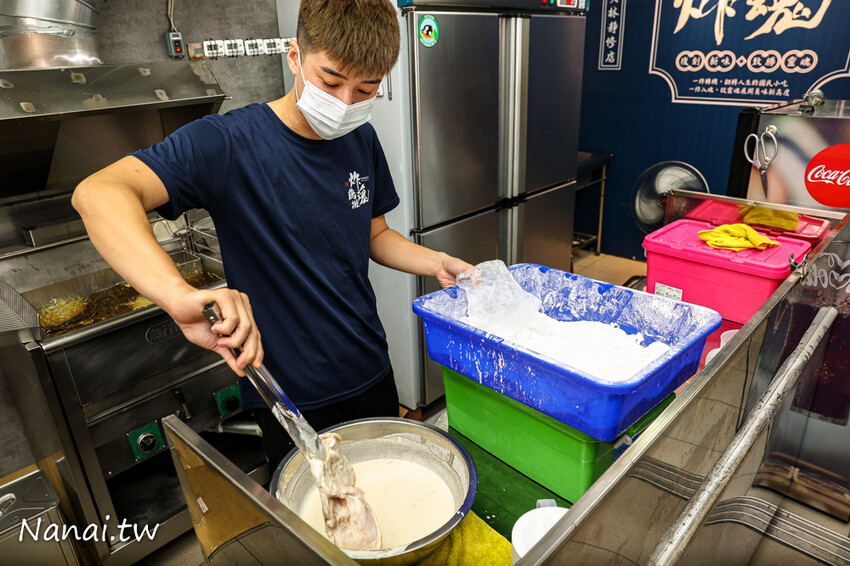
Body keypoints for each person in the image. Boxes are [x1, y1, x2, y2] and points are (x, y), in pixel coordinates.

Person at [72, 0, 472, 471]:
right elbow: (98, 193)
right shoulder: (227, 143)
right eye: (330, 82)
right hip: (288, 393)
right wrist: (178, 295)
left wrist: (435, 262)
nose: (346, 103)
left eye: (366, 89)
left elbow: (374, 233)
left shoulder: (361, 139)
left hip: (369, 366)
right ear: (294, 57)